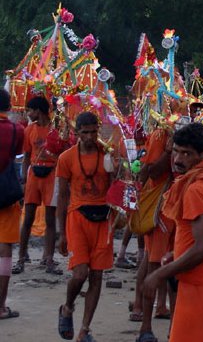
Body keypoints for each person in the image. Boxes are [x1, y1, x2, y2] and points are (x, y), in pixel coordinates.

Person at [142, 122, 203, 342]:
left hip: (199, 286)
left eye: (187, 154)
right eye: (176, 151)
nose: (178, 159)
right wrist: (177, 255)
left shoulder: (197, 188)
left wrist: (160, 273)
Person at [56, 112, 112, 342]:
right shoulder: (66, 158)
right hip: (77, 218)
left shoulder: (107, 154)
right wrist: (62, 234)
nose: (90, 137)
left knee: (97, 276)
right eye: (85, 132)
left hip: (103, 219)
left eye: (93, 132)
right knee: (80, 274)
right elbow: (62, 196)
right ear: (76, 133)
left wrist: (120, 167)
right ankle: (67, 307)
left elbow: (117, 183)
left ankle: (84, 330)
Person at [133, 127, 176, 340]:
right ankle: (145, 327)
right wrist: (169, 152)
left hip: (180, 208)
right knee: (153, 265)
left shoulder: (193, 131)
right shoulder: (161, 134)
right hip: (160, 211)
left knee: (177, 269)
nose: (187, 109)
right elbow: (151, 171)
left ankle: (174, 330)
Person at [12, 96, 62, 275]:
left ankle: (48, 258)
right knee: (28, 218)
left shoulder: (55, 129)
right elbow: (26, 156)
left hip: (51, 174)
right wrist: (24, 180)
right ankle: (21, 257)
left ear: (38, 111)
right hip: (34, 174)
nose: (29, 113)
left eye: (30, 110)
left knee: (50, 219)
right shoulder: (29, 130)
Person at [0, 88, 24, 320]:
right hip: (6, 194)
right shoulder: (18, 130)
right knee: (5, 248)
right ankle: (0, 306)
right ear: (9, 106)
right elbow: (15, 156)